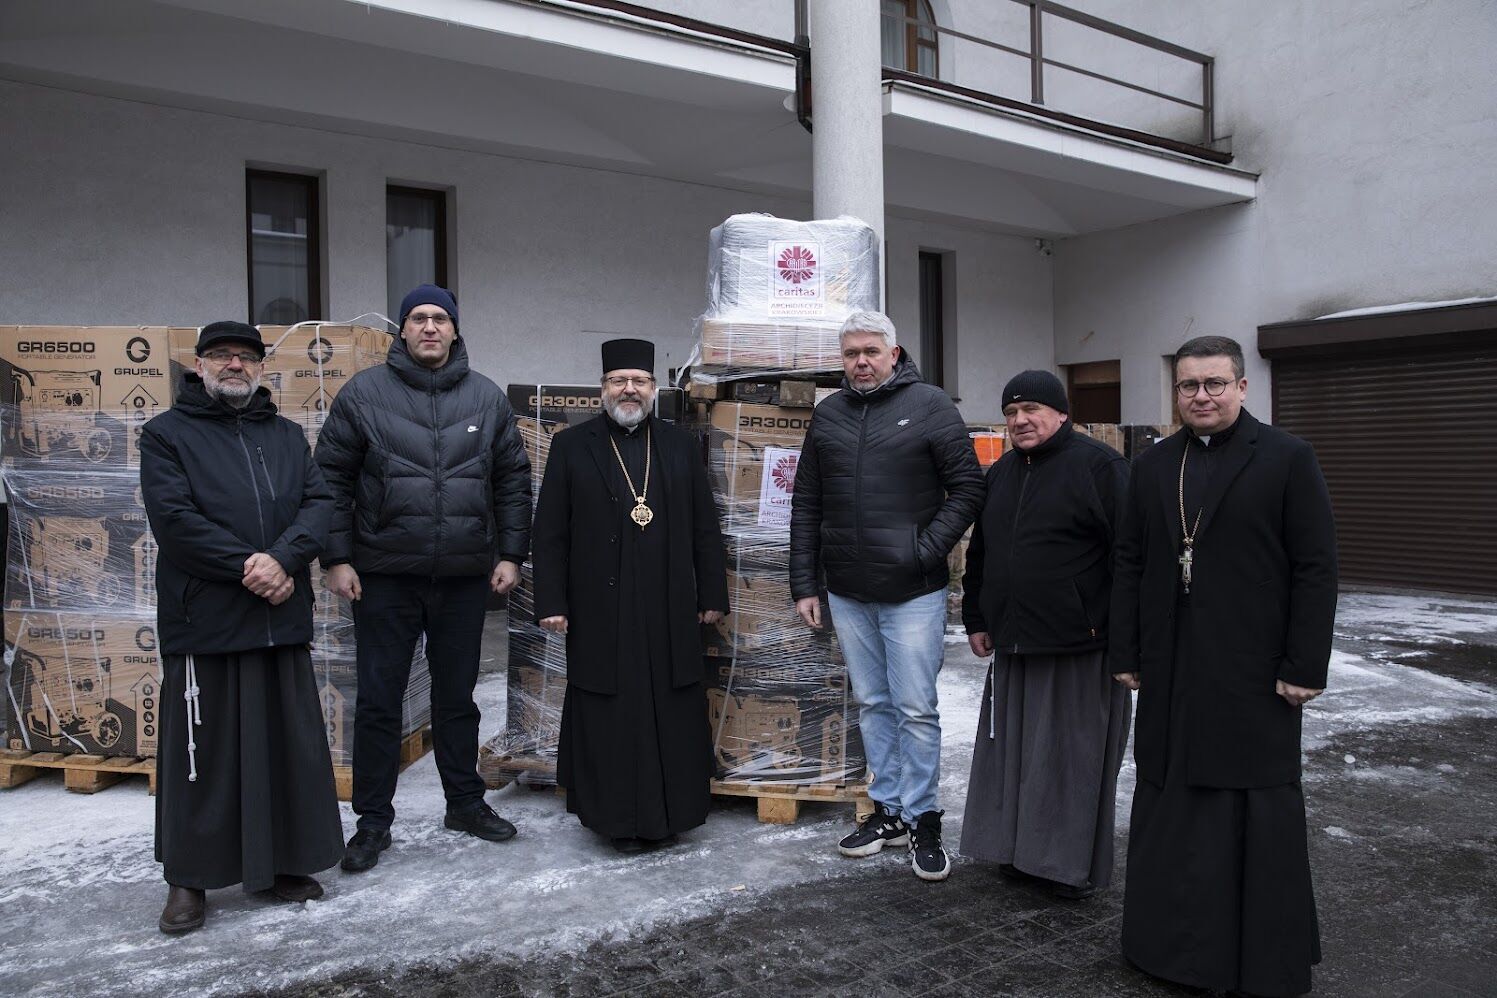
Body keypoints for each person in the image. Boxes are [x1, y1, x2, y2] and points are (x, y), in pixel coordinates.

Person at [1110, 335, 1337, 996]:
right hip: (1170, 668)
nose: (1200, 396)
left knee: (1246, 805)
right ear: (1174, 393)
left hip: (1253, 670)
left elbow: (1316, 567)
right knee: (1171, 796)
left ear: (1242, 387)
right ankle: (1167, 949)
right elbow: (1128, 560)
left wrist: (1305, 664)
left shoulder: (1288, 458)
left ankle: (1255, 958)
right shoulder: (1153, 466)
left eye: (1213, 384)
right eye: (1188, 386)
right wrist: (1125, 650)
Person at [314, 284, 533, 872]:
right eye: (418, 318)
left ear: (455, 330)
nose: (430, 327)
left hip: (463, 577)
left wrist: (511, 553)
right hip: (383, 576)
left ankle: (465, 802)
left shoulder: (485, 399)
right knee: (381, 702)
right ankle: (372, 822)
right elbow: (329, 480)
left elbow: (512, 481)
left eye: (441, 318)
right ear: (402, 331)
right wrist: (335, 558)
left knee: (457, 699)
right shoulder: (363, 395)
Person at [141, 320, 342, 934]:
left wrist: (283, 558)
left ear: (260, 369)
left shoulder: (284, 436)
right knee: (202, 753)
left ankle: (283, 863)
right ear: (199, 366)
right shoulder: (166, 434)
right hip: (206, 617)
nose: (234, 365)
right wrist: (247, 566)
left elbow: (319, 504)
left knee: (285, 747)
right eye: (221, 356)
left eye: (246, 357)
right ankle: (189, 878)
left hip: (279, 615)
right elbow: (173, 520)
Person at [789, 310, 983, 881]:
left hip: (913, 592)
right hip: (848, 590)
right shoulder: (829, 415)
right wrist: (806, 582)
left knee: (916, 709)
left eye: (871, 351)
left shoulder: (930, 406)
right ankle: (889, 810)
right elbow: (807, 505)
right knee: (873, 705)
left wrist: (924, 551)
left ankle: (924, 817)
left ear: (894, 354)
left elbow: (969, 487)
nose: (861, 362)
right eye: (851, 353)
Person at [532, 338, 728, 853]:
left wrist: (712, 591)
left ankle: (673, 815)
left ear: (654, 389)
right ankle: (614, 820)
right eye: (618, 380)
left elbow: (706, 526)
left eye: (639, 381)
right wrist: (551, 600)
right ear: (602, 389)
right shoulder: (573, 445)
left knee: (672, 703)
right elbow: (549, 529)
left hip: (669, 605)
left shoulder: (680, 443)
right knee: (609, 708)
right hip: (600, 606)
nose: (629, 389)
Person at [960, 370, 1131, 899]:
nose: (1019, 421)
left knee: (1067, 758)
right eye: (1011, 413)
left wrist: (1128, 638)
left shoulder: (1100, 467)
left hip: (1080, 643)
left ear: (1061, 413)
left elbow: (1130, 558)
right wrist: (978, 617)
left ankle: (1062, 864)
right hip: (1014, 641)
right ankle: (1019, 851)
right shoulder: (1003, 473)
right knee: (1013, 754)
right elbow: (982, 555)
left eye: (1031, 409)